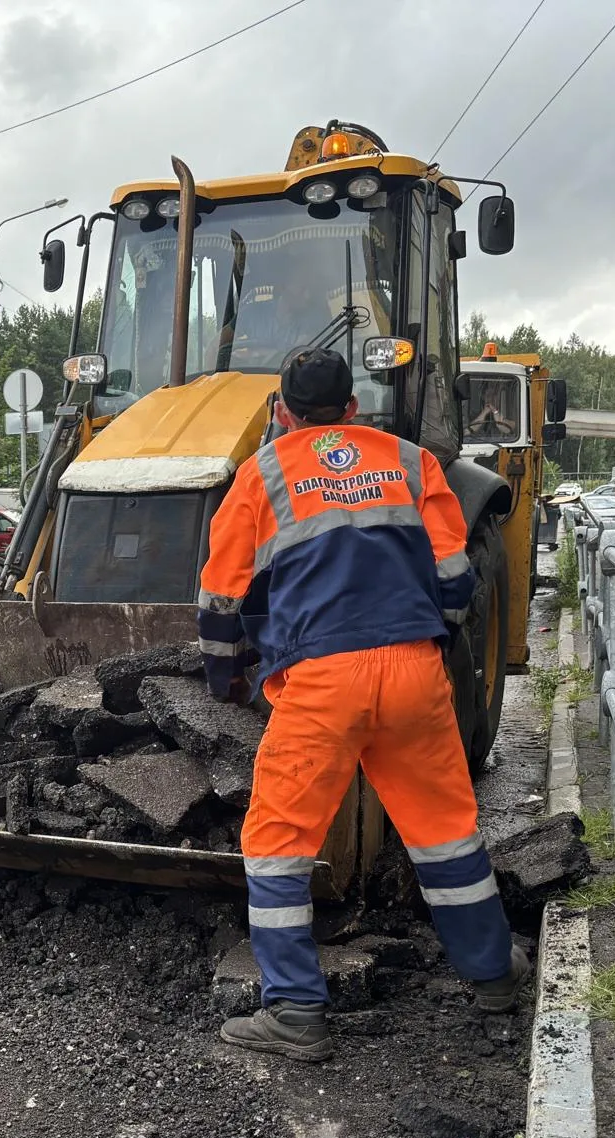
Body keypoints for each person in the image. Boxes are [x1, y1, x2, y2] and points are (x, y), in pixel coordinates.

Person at [198, 349, 520, 1063]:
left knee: (279, 844)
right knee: (445, 831)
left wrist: (227, 677)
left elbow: (221, 598)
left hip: (320, 683)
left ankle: (294, 1011)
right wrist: (427, 640)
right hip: (413, 670)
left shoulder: (261, 474)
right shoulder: (410, 461)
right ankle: (494, 975)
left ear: (282, 413)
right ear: (353, 408)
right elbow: (454, 576)